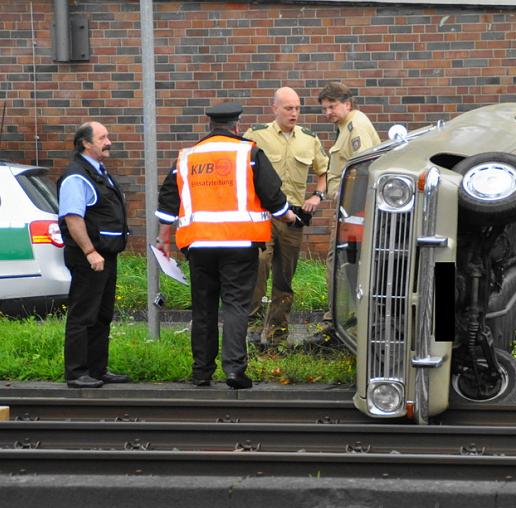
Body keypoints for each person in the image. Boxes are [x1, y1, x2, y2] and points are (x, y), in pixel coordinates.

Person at [155, 102, 299, 389]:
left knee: (203, 308)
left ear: (210, 126)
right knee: (235, 305)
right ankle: (234, 370)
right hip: (239, 244)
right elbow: (273, 196)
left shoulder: (186, 157)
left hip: (198, 245)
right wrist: (289, 216)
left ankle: (201, 372)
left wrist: (163, 239)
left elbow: (168, 203)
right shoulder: (250, 152)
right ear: (236, 126)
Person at [243, 87, 329, 349]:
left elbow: (323, 172)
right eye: (288, 108)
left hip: (293, 218)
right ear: (275, 109)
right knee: (259, 267)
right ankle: (252, 333)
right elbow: (240, 168)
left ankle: (277, 337)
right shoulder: (256, 135)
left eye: (297, 108)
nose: (294, 113)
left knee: (284, 278)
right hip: (263, 215)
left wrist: (317, 196)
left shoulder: (308, 139)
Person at [304, 82, 381, 348]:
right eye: (324, 108)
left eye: (332, 106)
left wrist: (351, 213)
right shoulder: (347, 126)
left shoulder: (355, 126)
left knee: (341, 263)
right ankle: (344, 322)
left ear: (347, 104)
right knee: (345, 264)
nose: (328, 112)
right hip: (352, 208)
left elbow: (363, 169)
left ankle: (338, 325)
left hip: (355, 209)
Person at [57, 121, 131, 389]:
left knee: (102, 314)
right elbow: (74, 218)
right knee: (83, 314)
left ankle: (97, 370)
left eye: (107, 136)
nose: (108, 142)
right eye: (102, 138)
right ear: (86, 143)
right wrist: (90, 251)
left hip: (105, 255)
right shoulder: (76, 176)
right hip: (89, 256)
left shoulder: (98, 172)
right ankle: (77, 373)